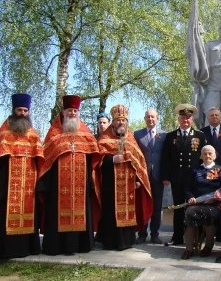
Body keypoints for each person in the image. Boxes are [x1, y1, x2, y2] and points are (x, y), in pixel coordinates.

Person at [37, 95, 100, 256]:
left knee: (81, 212)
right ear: (64, 112)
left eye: (75, 110)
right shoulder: (54, 134)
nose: (73, 113)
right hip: (58, 187)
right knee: (57, 213)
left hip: (81, 186)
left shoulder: (85, 134)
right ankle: (56, 246)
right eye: (70, 110)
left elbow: (94, 155)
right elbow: (46, 160)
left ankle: (81, 245)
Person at [97, 104, 153, 250]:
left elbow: (139, 163)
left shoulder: (131, 140)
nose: (121, 123)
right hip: (110, 184)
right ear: (113, 122)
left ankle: (127, 241)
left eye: (123, 120)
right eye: (118, 120)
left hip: (129, 186)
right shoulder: (104, 139)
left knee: (128, 212)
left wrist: (138, 181)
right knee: (110, 212)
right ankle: (110, 242)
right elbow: (98, 160)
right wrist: (111, 159)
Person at [0, 94, 44, 258]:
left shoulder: (32, 134)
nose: (23, 113)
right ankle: (7, 250)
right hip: (8, 183)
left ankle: (28, 248)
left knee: (29, 213)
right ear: (13, 110)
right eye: (20, 110)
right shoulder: (3, 132)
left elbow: (40, 158)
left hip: (28, 185)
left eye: (26, 110)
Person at [160, 104, 207, 246]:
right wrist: (165, 176)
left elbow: (204, 157)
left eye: (188, 117)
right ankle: (178, 236)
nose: (185, 120)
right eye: (183, 118)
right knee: (179, 207)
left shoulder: (200, 136)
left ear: (192, 119)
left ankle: (196, 236)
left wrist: (204, 176)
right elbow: (165, 158)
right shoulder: (171, 136)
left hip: (194, 179)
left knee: (194, 207)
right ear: (179, 119)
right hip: (177, 178)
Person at [181, 145, 221, 260]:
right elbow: (187, 187)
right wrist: (190, 197)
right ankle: (189, 248)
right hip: (196, 203)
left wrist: (216, 199)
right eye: (205, 153)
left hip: (213, 204)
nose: (207, 156)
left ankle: (208, 246)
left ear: (214, 155)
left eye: (210, 153)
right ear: (201, 156)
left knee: (209, 214)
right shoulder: (194, 170)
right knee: (189, 213)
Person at [134, 109, 167, 244]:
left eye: (153, 117)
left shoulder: (164, 135)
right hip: (143, 176)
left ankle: (155, 233)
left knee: (157, 205)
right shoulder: (137, 134)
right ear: (144, 118)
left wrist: (166, 176)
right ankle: (142, 233)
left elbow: (167, 157)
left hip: (158, 176)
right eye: (148, 117)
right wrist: (136, 177)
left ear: (157, 118)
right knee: (143, 204)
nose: (150, 119)